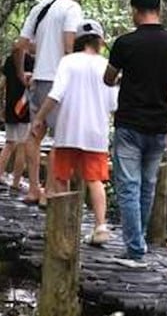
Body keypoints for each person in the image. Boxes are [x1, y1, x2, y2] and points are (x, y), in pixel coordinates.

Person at [104, 0, 167, 265]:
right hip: (159, 124)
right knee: (147, 187)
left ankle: (136, 249)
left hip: (129, 123)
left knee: (129, 186)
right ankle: (137, 242)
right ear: (159, 10)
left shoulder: (125, 43)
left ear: (136, 10)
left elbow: (108, 78)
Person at [32, 20, 117, 245]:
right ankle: (100, 227)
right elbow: (113, 104)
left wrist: (39, 118)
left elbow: (56, 93)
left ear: (78, 40)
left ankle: (65, 226)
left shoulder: (68, 61)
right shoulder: (106, 65)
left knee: (61, 176)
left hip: (68, 129)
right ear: (99, 41)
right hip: (96, 133)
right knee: (95, 179)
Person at [15, 0, 86, 204]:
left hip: (38, 79)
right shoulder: (72, 8)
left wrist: (20, 74)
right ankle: (51, 192)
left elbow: (20, 45)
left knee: (34, 134)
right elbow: (68, 44)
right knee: (61, 138)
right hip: (59, 81)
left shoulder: (40, 7)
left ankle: (33, 189)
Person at [0, 42, 34, 191]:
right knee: (22, 145)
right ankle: (15, 182)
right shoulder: (30, 62)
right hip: (24, 106)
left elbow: (3, 83)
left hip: (10, 106)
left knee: (9, 143)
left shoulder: (9, 60)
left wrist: (2, 104)